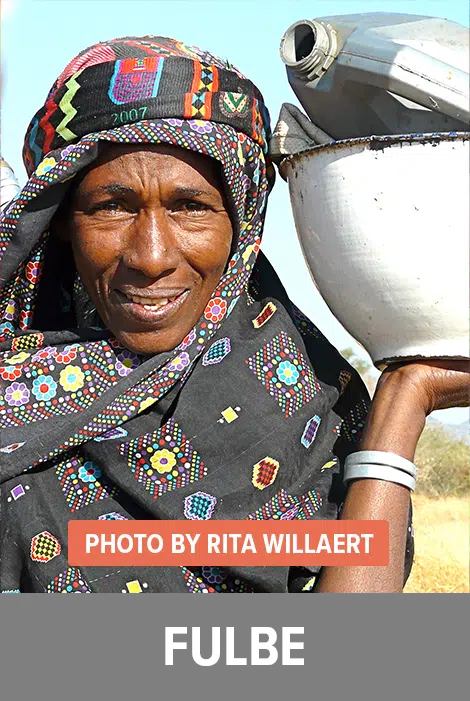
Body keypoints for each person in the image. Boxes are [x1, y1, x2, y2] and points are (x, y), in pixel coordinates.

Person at [0, 37, 468, 594]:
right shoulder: (16, 409)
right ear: (59, 218)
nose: (151, 257)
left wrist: (403, 402)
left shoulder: (300, 394)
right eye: (112, 207)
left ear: (241, 222)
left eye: (190, 207)